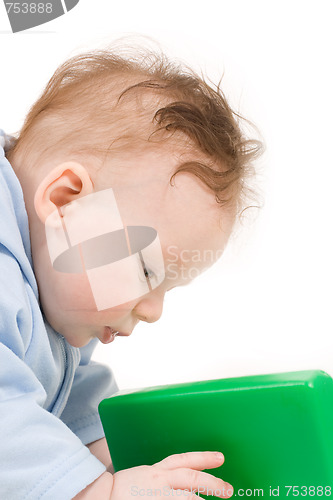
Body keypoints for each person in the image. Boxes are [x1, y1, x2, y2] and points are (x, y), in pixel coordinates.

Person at [0, 46, 262, 499]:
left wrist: (119, 458)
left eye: (169, 288)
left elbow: (73, 394)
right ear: (65, 202)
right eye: (145, 270)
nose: (154, 311)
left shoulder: (56, 302)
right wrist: (97, 492)